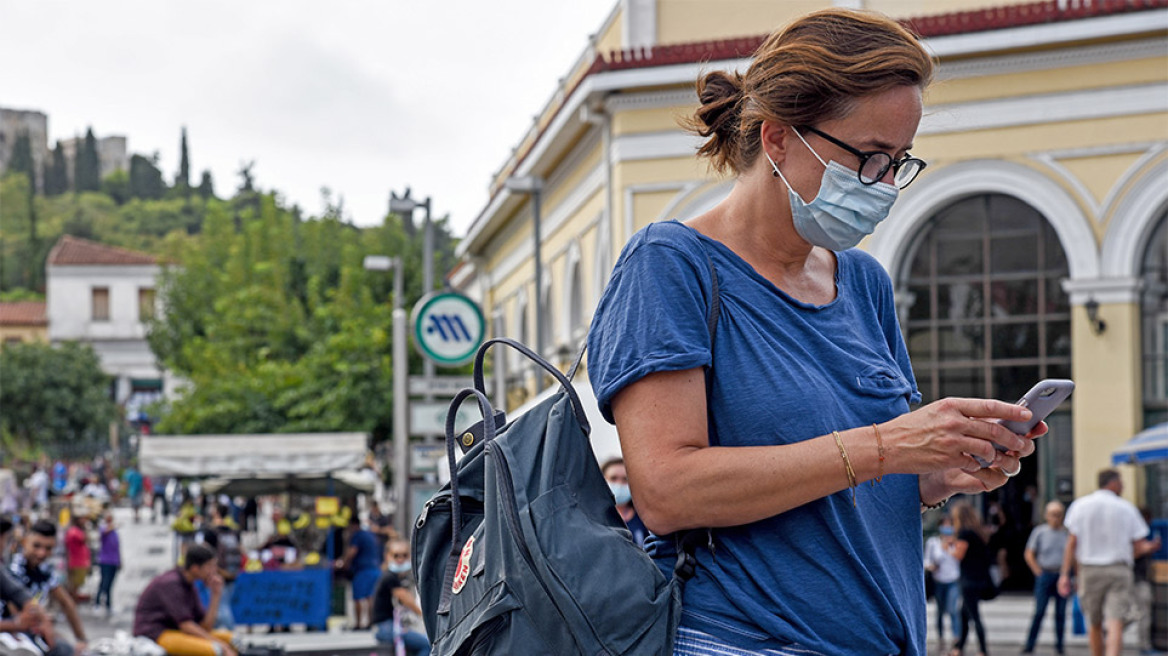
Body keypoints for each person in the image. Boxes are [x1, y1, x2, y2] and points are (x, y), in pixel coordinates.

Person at [585, 7, 1042, 655]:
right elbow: (666, 491)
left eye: (900, 161)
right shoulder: (671, 265)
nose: (885, 185)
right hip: (737, 639)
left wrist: (939, 472)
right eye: (871, 158)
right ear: (777, 140)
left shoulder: (864, 284)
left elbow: (848, 488)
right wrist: (889, 444)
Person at [1058, 469, 1162, 656]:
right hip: (1118, 570)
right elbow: (1138, 547)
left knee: (1094, 623)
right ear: (1112, 483)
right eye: (1121, 481)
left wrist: (1065, 574)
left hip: (1089, 570)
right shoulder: (1126, 508)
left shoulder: (1080, 506)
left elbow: (1072, 543)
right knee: (1115, 623)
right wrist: (1150, 547)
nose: (1123, 485)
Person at [133, 543, 235, 656]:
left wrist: (215, 595)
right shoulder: (171, 583)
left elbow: (205, 627)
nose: (214, 571)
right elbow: (186, 625)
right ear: (195, 568)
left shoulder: (190, 585)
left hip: (177, 631)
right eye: (210, 566)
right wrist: (219, 644)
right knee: (214, 650)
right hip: (156, 633)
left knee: (232, 640)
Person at [7, 520, 88, 654]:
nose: (41, 553)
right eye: (36, 546)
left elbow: (66, 603)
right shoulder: (13, 569)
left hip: (33, 630)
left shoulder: (45, 571)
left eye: (48, 548)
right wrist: (42, 621)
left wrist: (81, 640)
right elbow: (15, 611)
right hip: (12, 633)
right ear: (25, 541)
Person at [949, 503, 997, 656]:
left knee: (974, 616)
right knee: (963, 614)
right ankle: (958, 649)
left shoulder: (964, 533)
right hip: (979, 579)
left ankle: (982, 650)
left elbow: (959, 555)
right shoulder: (978, 533)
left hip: (968, 580)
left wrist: (948, 548)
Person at [1021, 501, 1069, 655]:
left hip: (1061, 575)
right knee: (1039, 611)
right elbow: (1029, 553)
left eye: (1058, 514)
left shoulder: (1067, 533)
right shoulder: (1040, 532)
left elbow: (1073, 556)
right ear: (1046, 516)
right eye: (1052, 514)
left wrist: (1071, 575)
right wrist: (1037, 571)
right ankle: (1030, 644)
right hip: (1045, 574)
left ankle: (1060, 646)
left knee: (1060, 613)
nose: (1055, 518)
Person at [371, 539, 429, 656]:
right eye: (396, 555)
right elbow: (407, 601)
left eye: (404, 555)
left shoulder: (397, 577)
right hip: (386, 627)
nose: (400, 559)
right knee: (426, 645)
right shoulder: (390, 577)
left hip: (389, 626)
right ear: (387, 556)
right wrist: (426, 617)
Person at [337, 516, 382, 630]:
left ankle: (358, 623)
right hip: (375, 569)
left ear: (352, 525)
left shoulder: (357, 536)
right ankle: (371, 622)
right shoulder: (370, 535)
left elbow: (352, 552)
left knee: (358, 597)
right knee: (370, 597)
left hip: (362, 570)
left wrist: (344, 563)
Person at [924, 515, 962, 649]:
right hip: (938, 580)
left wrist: (950, 546)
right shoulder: (933, 542)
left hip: (953, 580)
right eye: (944, 525)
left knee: (953, 609)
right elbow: (926, 561)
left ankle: (956, 638)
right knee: (940, 611)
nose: (946, 528)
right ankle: (941, 637)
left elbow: (959, 559)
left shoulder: (957, 542)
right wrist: (931, 566)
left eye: (949, 525)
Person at [601, 457, 648, 548]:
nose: (619, 484)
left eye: (625, 479)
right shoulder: (592, 518)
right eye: (613, 478)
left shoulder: (645, 519)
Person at [94, 510, 121, 617]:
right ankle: (97, 603)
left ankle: (109, 605)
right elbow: (104, 532)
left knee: (110, 585)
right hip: (105, 561)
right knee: (103, 583)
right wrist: (112, 526)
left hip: (114, 561)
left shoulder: (114, 533)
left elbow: (117, 547)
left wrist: (120, 561)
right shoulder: (104, 528)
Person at [63, 514, 91, 602]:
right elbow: (85, 539)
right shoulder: (74, 532)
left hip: (78, 561)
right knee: (75, 584)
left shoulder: (74, 531)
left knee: (76, 584)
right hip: (77, 562)